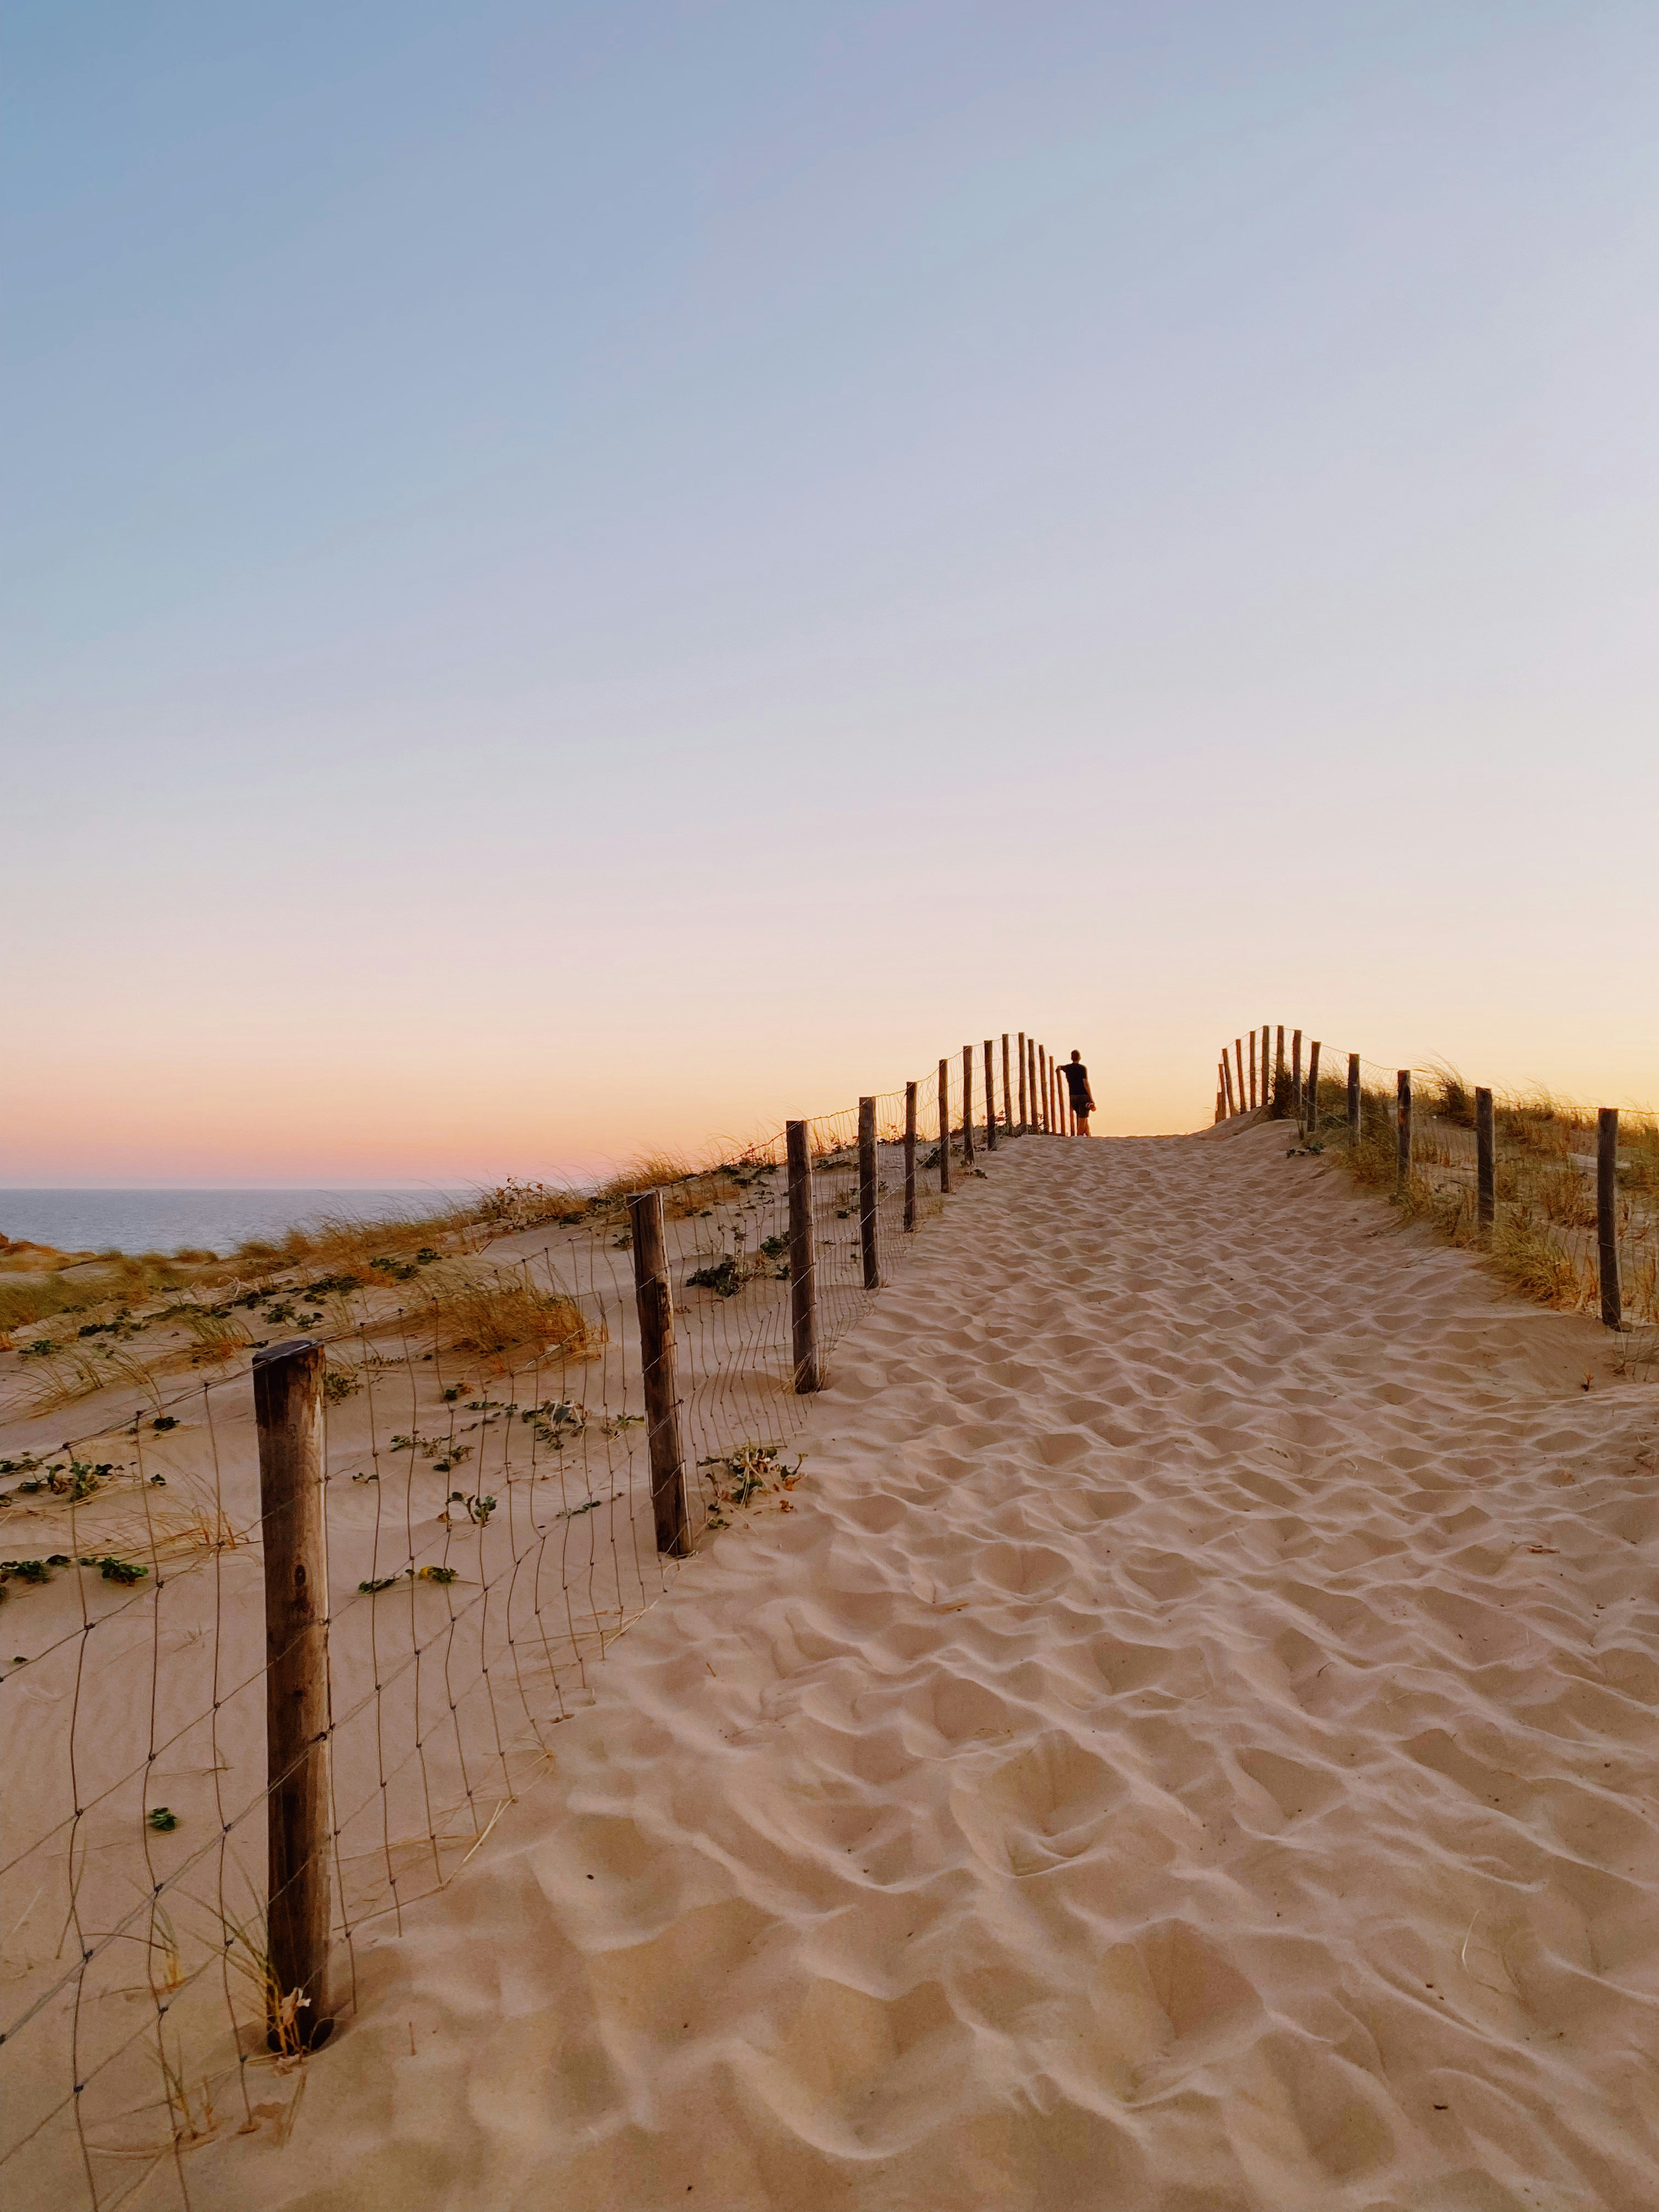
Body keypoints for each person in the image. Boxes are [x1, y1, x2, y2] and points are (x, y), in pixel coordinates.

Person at [1063, 1049, 1096, 1135]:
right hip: (1083, 1096)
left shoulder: (1067, 1068)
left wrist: (1059, 1069)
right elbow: (1086, 1083)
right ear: (1080, 1058)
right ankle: (1080, 1137)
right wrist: (1091, 1098)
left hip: (1073, 1096)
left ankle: (1088, 1135)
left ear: (1071, 1058)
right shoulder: (1082, 1068)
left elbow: (1060, 1067)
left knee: (1082, 1117)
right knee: (1083, 1119)